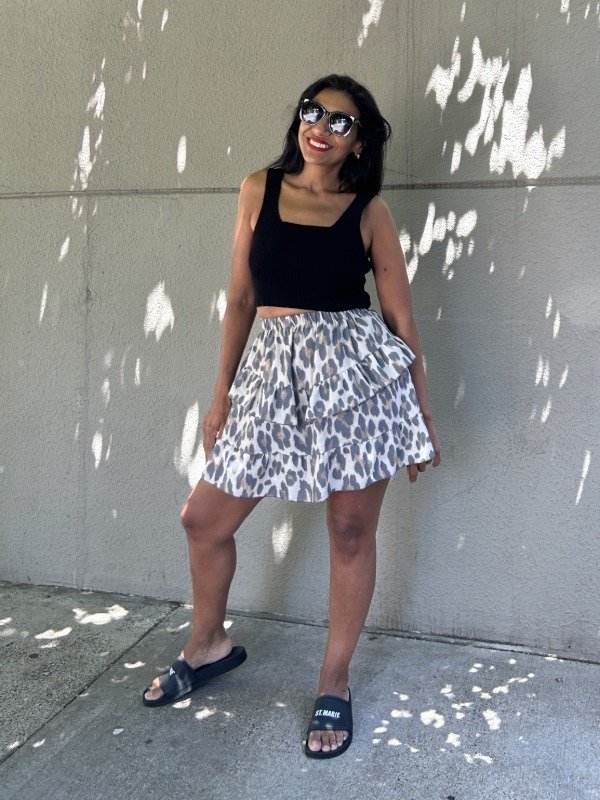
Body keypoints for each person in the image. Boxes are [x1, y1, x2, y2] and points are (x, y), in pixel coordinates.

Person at [142, 73, 441, 759]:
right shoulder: (259, 189)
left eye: (340, 121)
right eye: (314, 112)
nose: (321, 128)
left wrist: (421, 415)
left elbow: (400, 319)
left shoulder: (369, 212)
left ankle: (334, 680)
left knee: (350, 531)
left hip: (357, 379)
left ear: (359, 142)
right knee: (203, 519)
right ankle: (208, 643)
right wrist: (221, 396)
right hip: (271, 377)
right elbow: (241, 299)